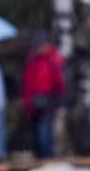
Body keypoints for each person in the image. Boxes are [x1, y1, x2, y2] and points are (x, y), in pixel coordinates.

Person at [21, 31, 66, 159]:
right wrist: (26, 102)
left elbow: (60, 84)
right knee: (36, 137)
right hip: (33, 104)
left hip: (48, 103)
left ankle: (47, 160)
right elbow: (26, 84)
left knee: (44, 136)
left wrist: (61, 103)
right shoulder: (31, 62)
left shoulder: (54, 61)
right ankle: (40, 160)